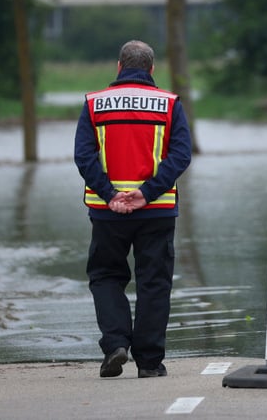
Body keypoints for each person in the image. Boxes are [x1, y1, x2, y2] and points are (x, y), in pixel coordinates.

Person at [74, 40, 193, 378]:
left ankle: (115, 344)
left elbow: (84, 157)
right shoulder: (169, 104)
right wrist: (146, 193)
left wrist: (111, 194)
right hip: (156, 210)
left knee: (106, 276)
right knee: (154, 282)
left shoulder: (94, 103)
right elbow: (180, 156)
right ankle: (150, 363)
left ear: (118, 67)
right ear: (152, 69)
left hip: (106, 211)